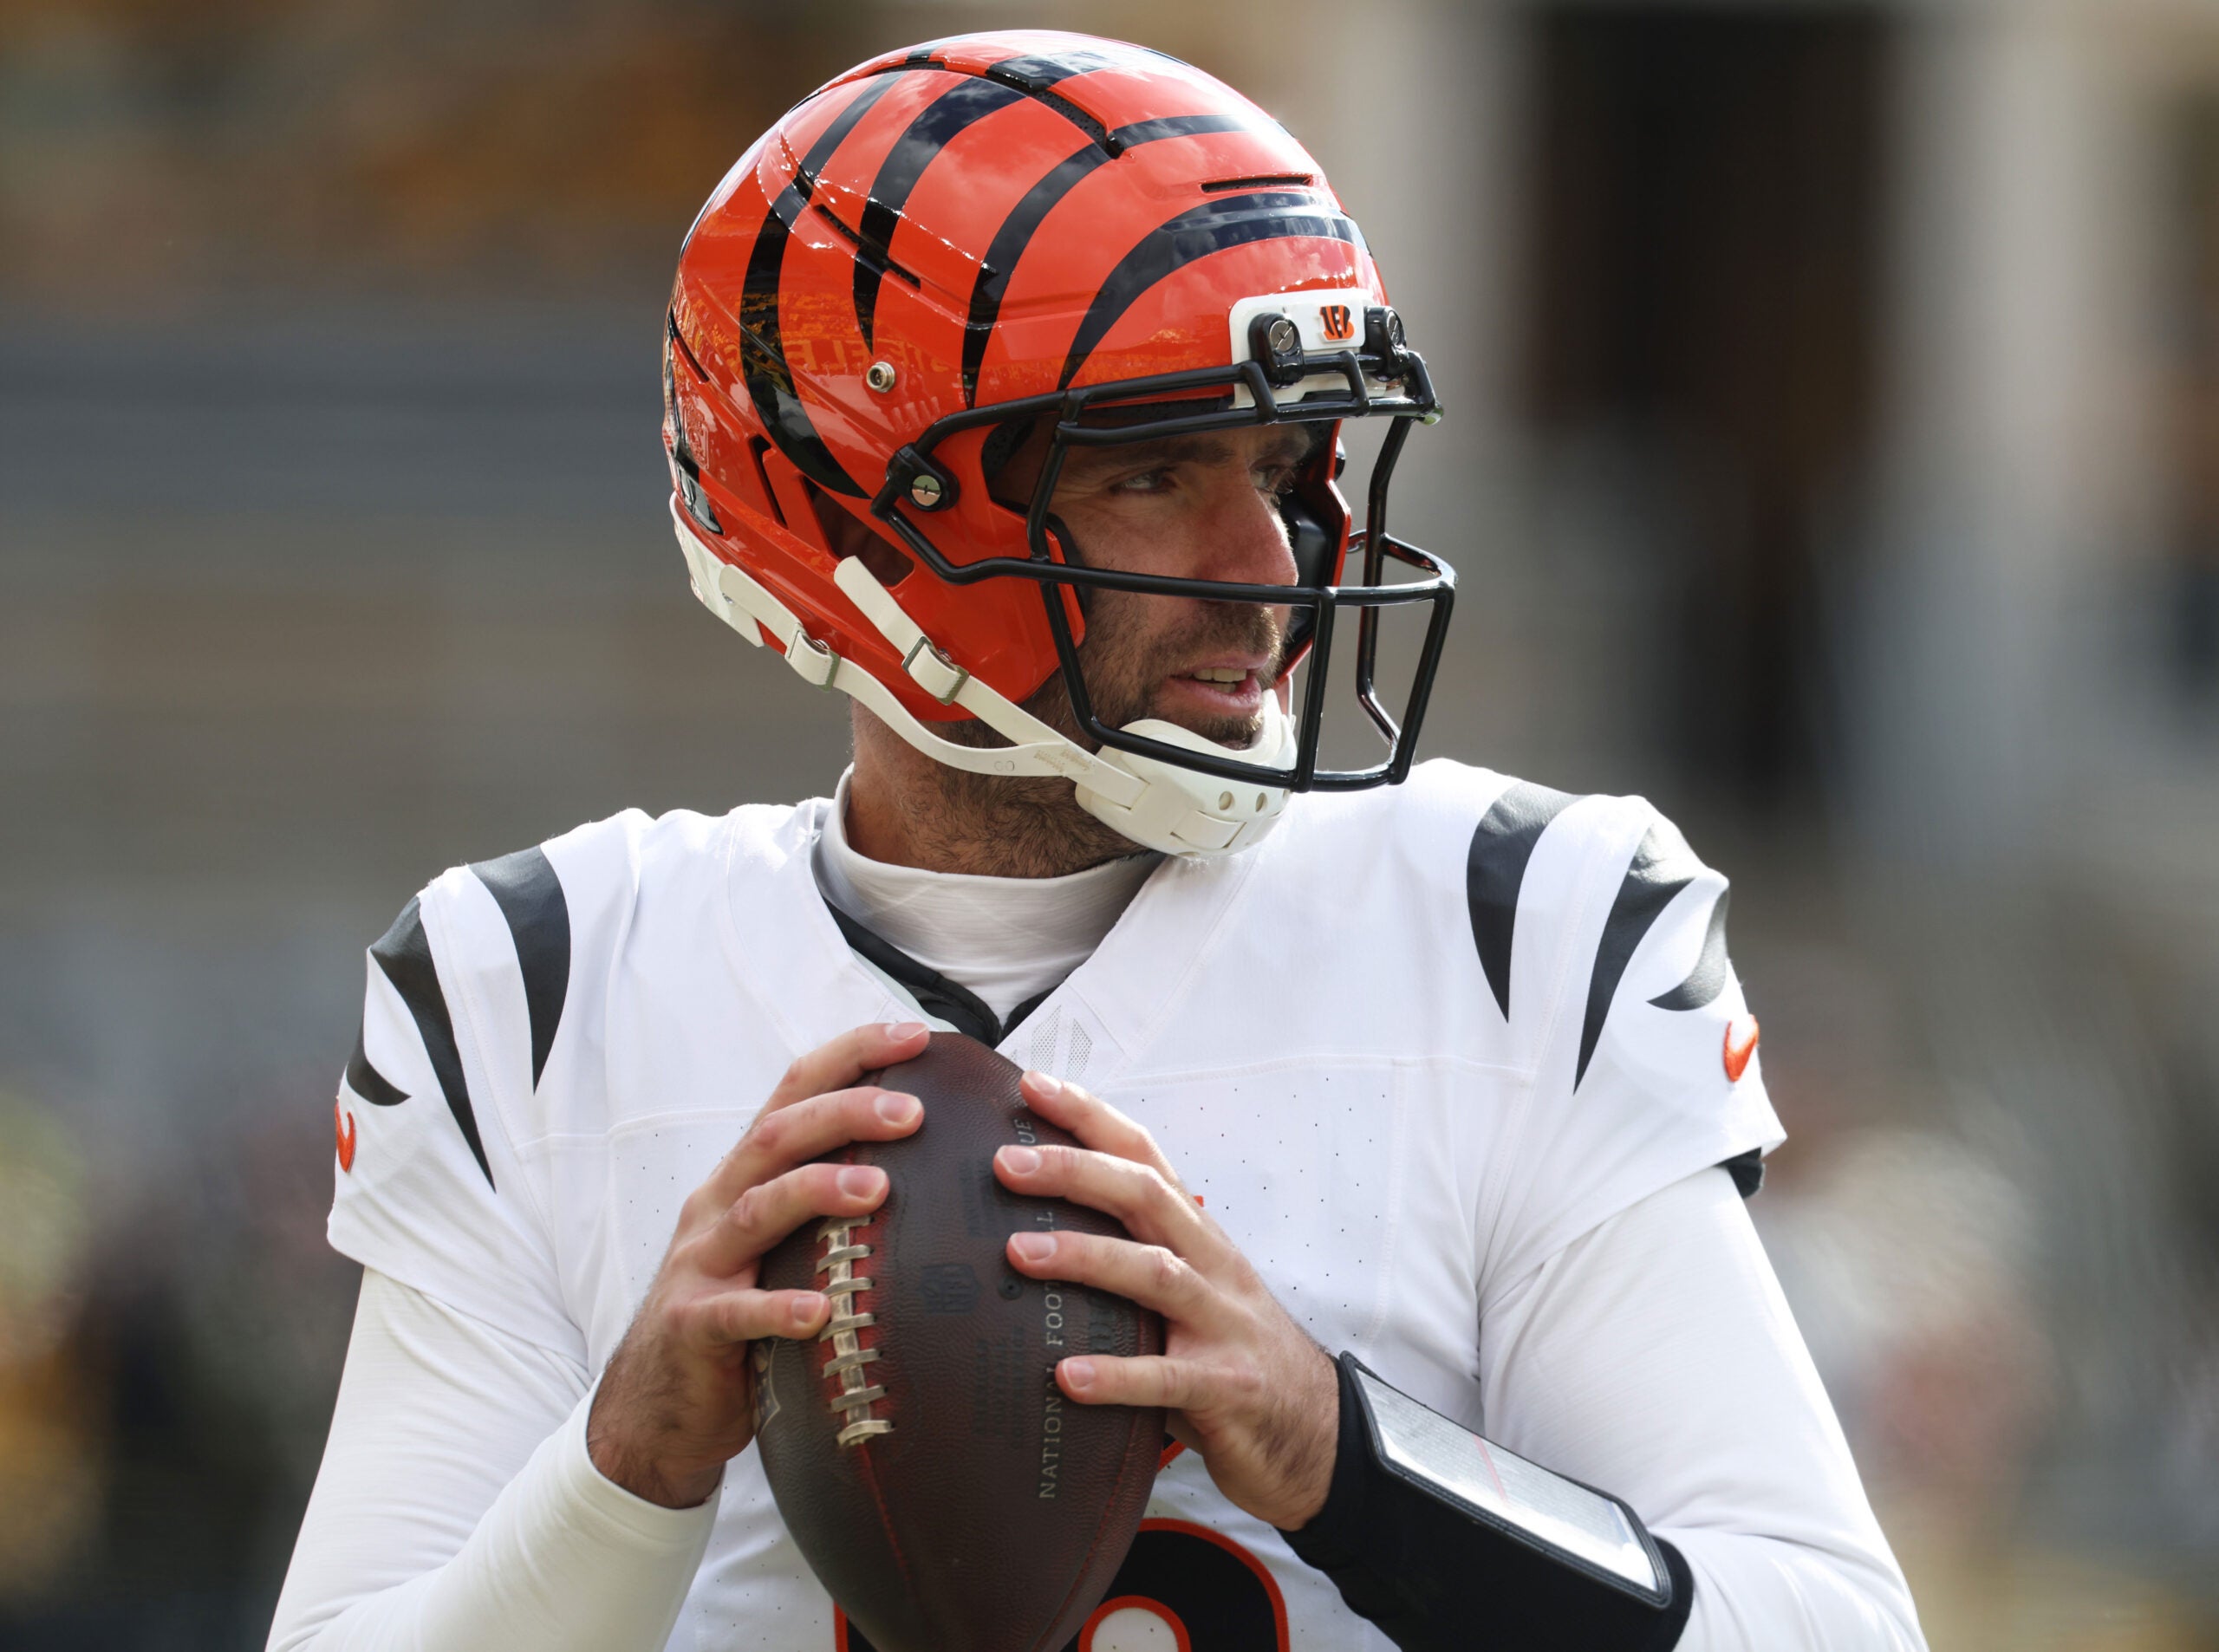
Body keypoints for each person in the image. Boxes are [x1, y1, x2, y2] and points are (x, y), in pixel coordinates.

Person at [268, 29, 1926, 1652]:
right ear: (861, 517)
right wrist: (620, 1477)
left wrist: (1346, 1456)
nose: (1267, 558)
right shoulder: (541, 991)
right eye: (1153, 472)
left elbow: (1833, 1627)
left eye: (1283, 461)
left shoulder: (1517, 932)